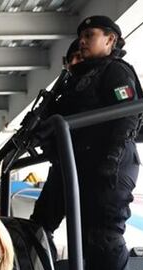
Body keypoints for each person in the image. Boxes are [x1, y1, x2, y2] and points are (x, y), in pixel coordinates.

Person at [53, 15, 142, 270]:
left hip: (111, 164)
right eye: (81, 36)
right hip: (84, 164)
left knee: (105, 232)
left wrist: (112, 159)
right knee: (84, 235)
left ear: (110, 39)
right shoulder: (80, 78)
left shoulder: (116, 71)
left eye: (89, 35)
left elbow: (128, 115)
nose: (82, 41)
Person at [29, 38, 83, 240]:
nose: (74, 63)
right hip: (63, 166)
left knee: (91, 232)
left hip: (89, 167)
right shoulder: (66, 91)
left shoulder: (105, 78)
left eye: (79, 57)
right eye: (71, 59)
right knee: (39, 227)